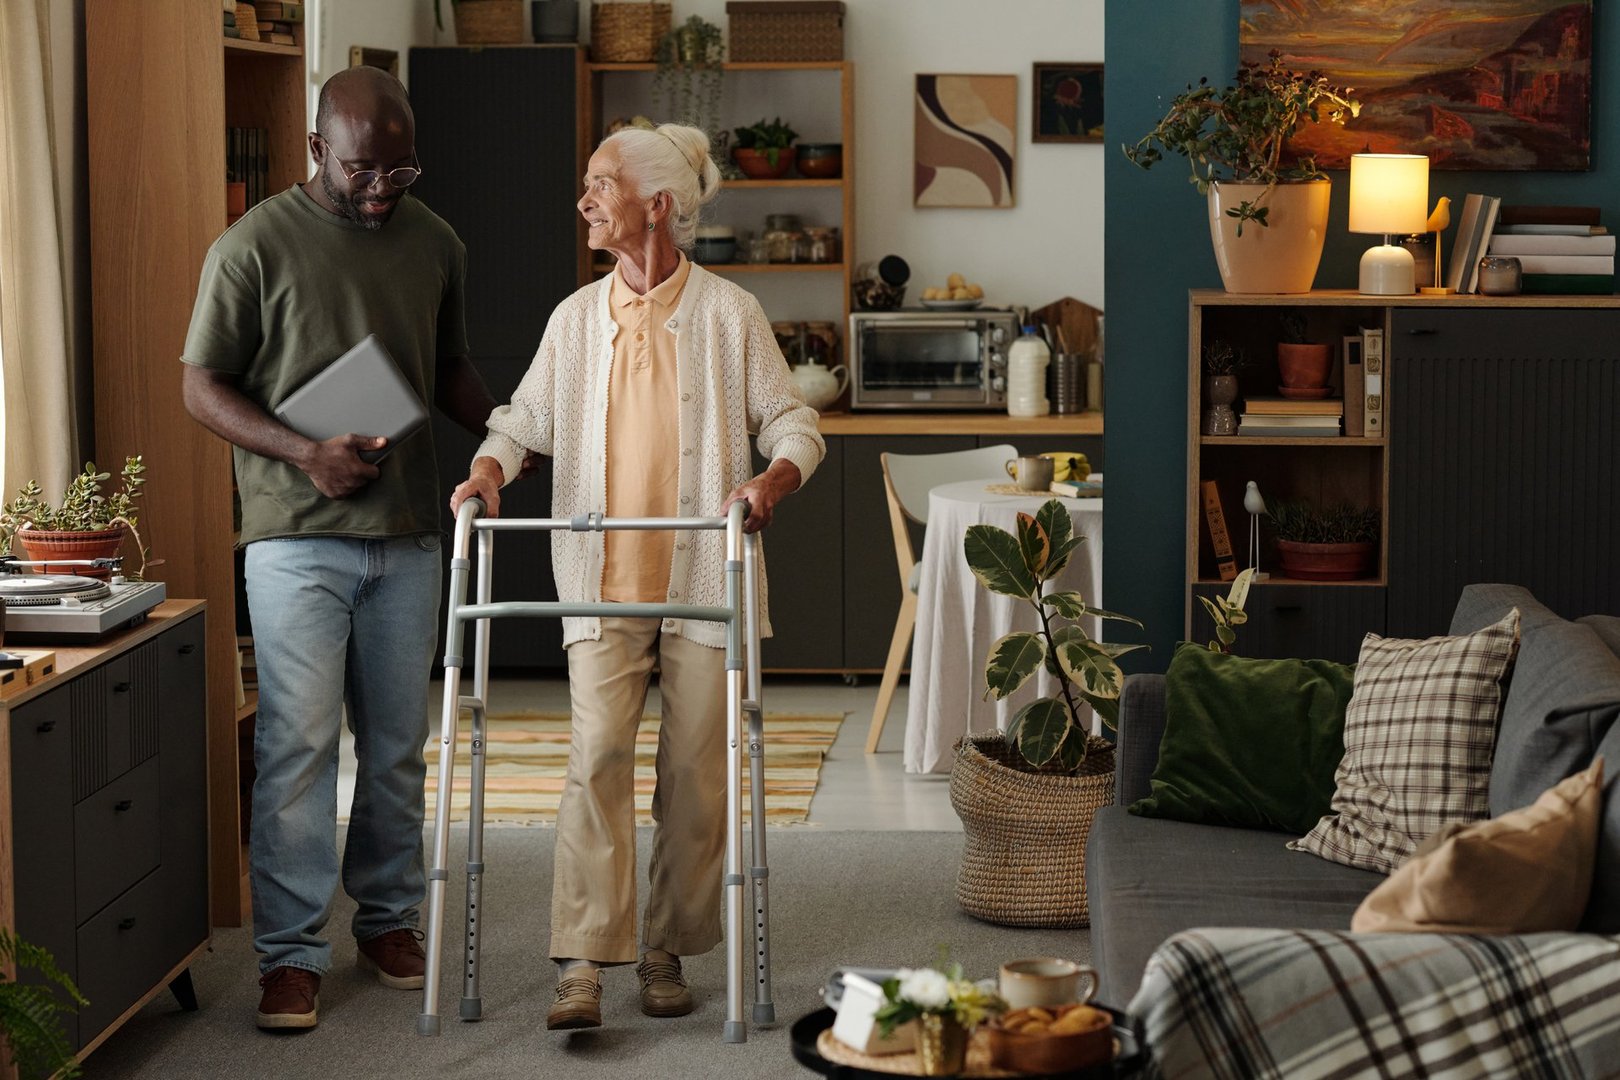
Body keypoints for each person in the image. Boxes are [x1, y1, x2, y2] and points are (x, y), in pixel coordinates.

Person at [449, 122, 825, 1030]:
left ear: (656, 205)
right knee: (596, 762)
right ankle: (584, 960)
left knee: (696, 776)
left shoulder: (730, 313)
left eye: (601, 184)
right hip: (601, 573)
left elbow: (793, 422)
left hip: (703, 578)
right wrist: (490, 469)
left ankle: (665, 949)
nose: (584, 200)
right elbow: (524, 418)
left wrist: (772, 481)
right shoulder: (576, 319)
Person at [181, 66, 499, 1032]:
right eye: (363, 170)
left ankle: (388, 921)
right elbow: (201, 386)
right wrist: (303, 452)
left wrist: (514, 435)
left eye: (401, 170)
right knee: (298, 750)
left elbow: (447, 367)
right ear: (319, 149)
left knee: (398, 749)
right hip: (293, 540)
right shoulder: (250, 246)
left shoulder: (435, 240)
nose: (382, 188)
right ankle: (289, 956)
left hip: (409, 535)